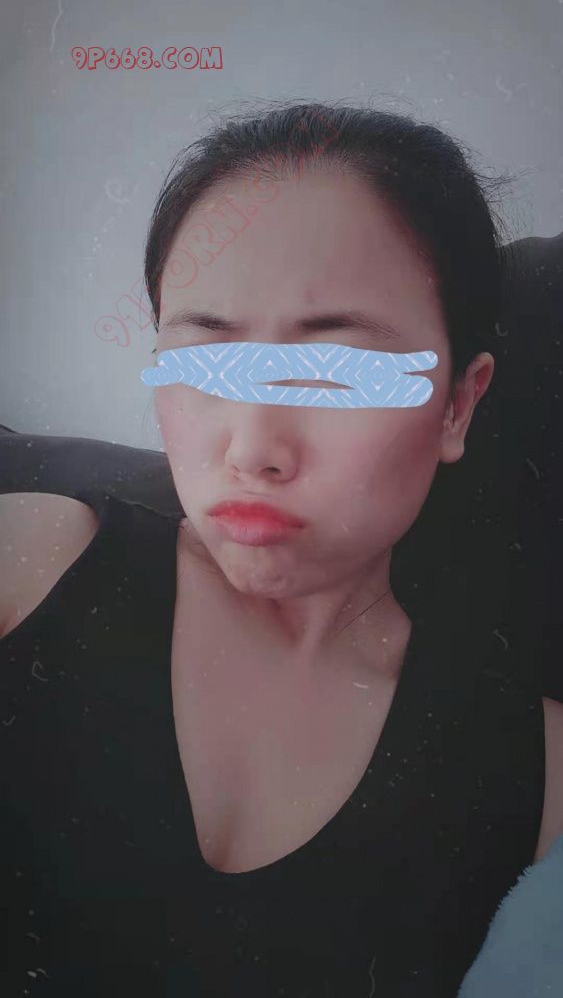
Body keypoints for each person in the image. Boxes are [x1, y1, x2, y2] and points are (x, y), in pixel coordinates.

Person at [1, 100, 562, 997]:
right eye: (205, 358)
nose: (251, 447)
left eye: (334, 370)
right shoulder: (30, 562)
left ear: (457, 404)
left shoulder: (534, 774)